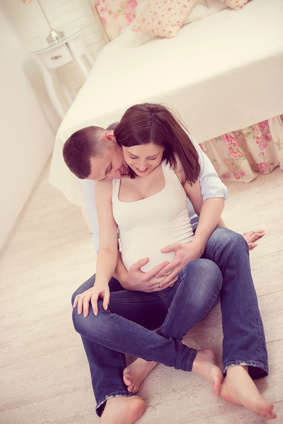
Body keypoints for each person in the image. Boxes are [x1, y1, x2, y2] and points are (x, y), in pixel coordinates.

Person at [63, 104, 274, 422]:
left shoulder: (167, 143)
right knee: (84, 304)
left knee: (222, 252)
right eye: (132, 159)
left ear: (112, 139)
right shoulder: (101, 175)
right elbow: (105, 243)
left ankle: (238, 366)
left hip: (191, 245)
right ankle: (123, 392)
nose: (119, 171)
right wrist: (118, 279)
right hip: (139, 275)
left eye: (112, 166)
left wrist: (217, 241)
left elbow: (210, 197)